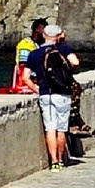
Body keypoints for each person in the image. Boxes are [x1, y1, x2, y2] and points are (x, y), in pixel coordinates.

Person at [27, 21, 82, 169]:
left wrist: (37, 90)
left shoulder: (35, 54)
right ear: (58, 36)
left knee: (50, 128)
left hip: (46, 94)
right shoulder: (63, 49)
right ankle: (61, 160)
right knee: (61, 129)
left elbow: (25, 77)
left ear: (44, 35)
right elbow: (75, 62)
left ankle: (54, 162)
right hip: (62, 93)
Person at [6, 18, 47, 94]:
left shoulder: (41, 45)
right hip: (27, 82)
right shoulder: (26, 44)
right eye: (44, 29)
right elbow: (23, 66)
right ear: (37, 29)